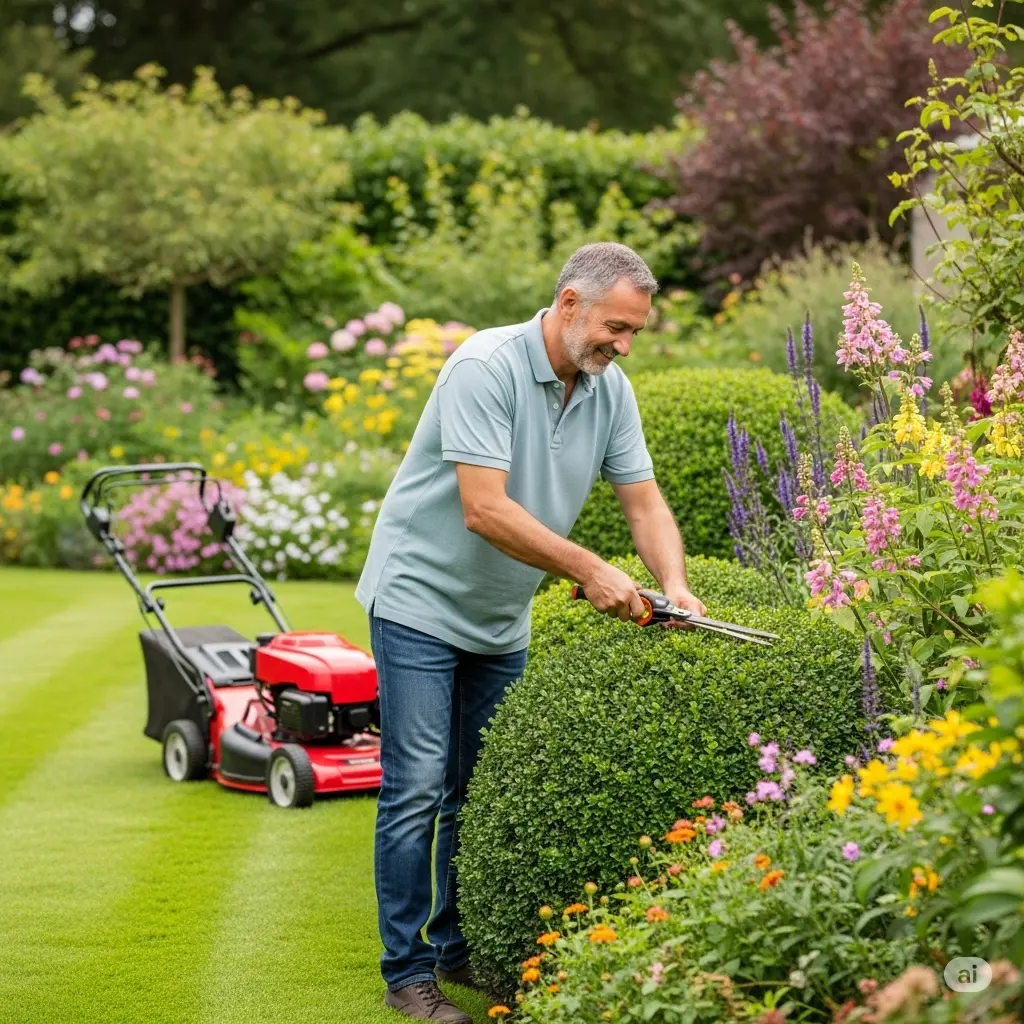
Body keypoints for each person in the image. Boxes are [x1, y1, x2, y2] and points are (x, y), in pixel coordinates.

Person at [355, 241, 707, 1022]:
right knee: (415, 787)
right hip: (419, 599)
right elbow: (484, 508)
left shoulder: (610, 391)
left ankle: (454, 948)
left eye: (635, 333)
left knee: (473, 792)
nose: (624, 343)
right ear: (571, 303)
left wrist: (675, 586)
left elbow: (643, 504)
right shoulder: (485, 366)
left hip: (498, 615)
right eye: (616, 326)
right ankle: (407, 972)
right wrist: (589, 568)